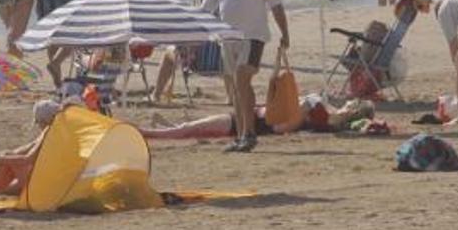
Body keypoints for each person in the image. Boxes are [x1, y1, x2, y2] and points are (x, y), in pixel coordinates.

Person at [201, 0, 290, 153]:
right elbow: (206, 9)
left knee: (242, 78)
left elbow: (276, 4)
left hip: (253, 35)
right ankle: (241, 135)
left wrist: (284, 33)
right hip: (227, 38)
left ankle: (249, 134)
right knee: (236, 88)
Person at [140, 96, 374, 140]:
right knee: (191, 128)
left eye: (352, 104)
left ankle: (149, 133)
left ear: (353, 111)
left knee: (187, 129)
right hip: (255, 117)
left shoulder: (328, 119)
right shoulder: (326, 114)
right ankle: (166, 127)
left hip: (252, 121)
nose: (348, 102)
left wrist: (305, 104)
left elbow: (281, 128)